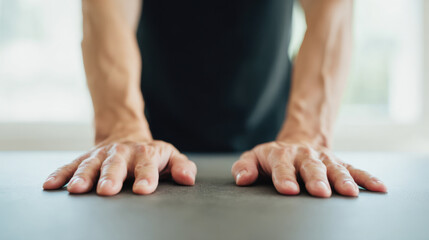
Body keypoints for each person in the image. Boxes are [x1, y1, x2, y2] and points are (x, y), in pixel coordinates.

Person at [43, 0, 387, 197]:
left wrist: (305, 136)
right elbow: (106, 11)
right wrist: (121, 128)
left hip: (275, 138)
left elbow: (332, 11)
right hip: (148, 139)